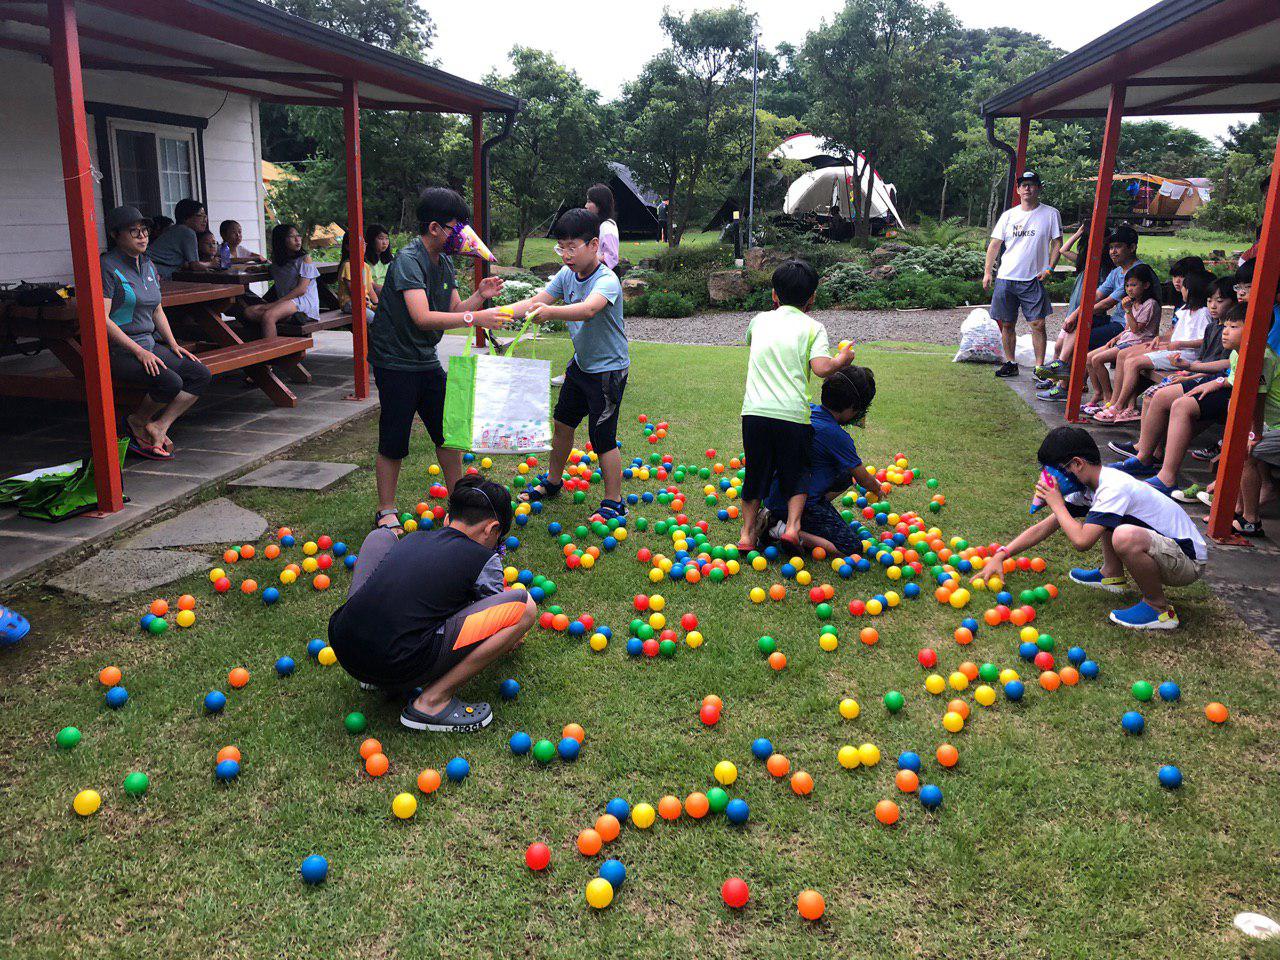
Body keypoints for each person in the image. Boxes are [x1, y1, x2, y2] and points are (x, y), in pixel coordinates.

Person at [328, 476, 537, 733]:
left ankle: (376, 677)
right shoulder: (483, 557)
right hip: (397, 662)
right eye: (499, 539)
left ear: (448, 519)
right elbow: (497, 617)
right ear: (491, 529)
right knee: (524, 607)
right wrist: (514, 638)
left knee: (379, 538)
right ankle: (432, 702)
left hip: (346, 649)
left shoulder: (413, 539)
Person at [368, 187, 507, 531]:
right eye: (456, 227)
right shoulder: (408, 261)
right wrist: (477, 319)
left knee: (448, 431)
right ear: (434, 228)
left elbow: (455, 311)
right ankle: (386, 510)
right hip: (395, 360)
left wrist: (480, 295)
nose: (462, 235)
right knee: (394, 436)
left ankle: (459, 503)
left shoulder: (444, 262)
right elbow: (422, 317)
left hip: (425, 358)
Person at [978, 426, 1206, 629]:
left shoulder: (1112, 488)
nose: (1051, 478)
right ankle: (1111, 575)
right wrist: (1003, 554)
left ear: (1077, 464)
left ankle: (1158, 608)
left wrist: (1057, 504)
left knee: (1124, 535)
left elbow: (1082, 541)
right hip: (1167, 552)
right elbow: (1044, 527)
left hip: (1186, 561)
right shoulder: (1090, 488)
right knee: (1107, 521)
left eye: (1055, 471)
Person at [503, 208, 630, 520]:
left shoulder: (607, 280)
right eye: (562, 247)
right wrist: (498, 313)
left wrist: (551, 312)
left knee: (602, 439)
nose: (566, 255)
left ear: (594, 245)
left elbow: (588, 310)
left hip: (608, 371)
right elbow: (535, 301)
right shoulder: (566, 275)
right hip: (581, 366)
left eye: (573, 247)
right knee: (562, 424)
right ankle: (554, 481)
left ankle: (614, 503)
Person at [735, 259, 855, 552]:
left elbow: (752, 342)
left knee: (756, 472)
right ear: (812, 297)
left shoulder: (759, 321)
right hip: (792, 416)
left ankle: (747, 534)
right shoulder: (814, 327)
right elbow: (821, 368)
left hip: (755, 413)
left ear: (774, 295)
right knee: (797, 471)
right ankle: (791, 527)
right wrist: (842, 360)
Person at [99, 205, 212, 460]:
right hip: (120, 351)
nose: (142, 236)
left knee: (200, 374)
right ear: (116, 235)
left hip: (149, 345)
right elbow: (102, 319)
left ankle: (159, 425)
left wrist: (173, 344)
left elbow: (157, 309)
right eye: (133, 231)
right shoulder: (107, 266)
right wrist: (139, 352)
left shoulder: (148, 264)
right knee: (170, 381)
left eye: (144, 231)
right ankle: (138, 420)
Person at [1119, 306, 1254, 496]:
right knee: (1160, 395)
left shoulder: (1260, 354)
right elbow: (1231, 372)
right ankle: (1144, 457)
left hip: (1236, 395)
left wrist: (1215, 381)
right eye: (1226, 326)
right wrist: (1194, 369)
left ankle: (1166, 477)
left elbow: (1247, 388)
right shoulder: (1235, 352)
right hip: (1221, 382)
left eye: (1233, 327)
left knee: (1181, 405)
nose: (1225, 331)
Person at [1106, 277, 1235, 468]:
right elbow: (1205, 358)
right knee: (1152, 393)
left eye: (1219, 301)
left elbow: (1222, 366)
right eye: (1210, 301)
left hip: (1211, 378)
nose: (1213, 306)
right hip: (1199, 372)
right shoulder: (1212, 327)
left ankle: (1147, 454)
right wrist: (1187, 372)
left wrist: (1190, 370)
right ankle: (1147, 450)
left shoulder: (1227, 330)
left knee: (1162, 396)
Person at [759, 366, 878, 556]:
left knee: (845, 474)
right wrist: (878, 489)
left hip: (775, 494)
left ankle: (788, 515)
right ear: (852, 409)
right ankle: (777, 527)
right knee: (850, 548)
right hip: (795, 504)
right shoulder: (837, 436)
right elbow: (863, 478)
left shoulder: (808, 411)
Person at [1037, 224, 1144, 381]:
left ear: (1132, 247)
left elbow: (1107, 303)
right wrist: (1075, 314)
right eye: (1111, 247)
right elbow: (1096, 295)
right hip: (1117, 321)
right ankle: (1062, 368)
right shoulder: (1117, 271)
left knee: (1082, 337)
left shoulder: (1137, 272)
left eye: (1118, 247)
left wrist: (1075, 314)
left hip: (1129, 327)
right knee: (1079, 324)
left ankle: (1069, 382)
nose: (1113, 251)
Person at [1103, 268, 1212, 421]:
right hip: (1174, 351)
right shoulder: (1185, 311)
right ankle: (1124, 405)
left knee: (1134, 363)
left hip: (1184, 356)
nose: (1181, 291)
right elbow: (1174, 333)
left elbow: (1203, 341)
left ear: (1191, 291)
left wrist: (1179, 343)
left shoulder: (1203, 313)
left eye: (1184, 288)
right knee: (1129, 360)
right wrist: (1161, 339)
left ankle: (1119, 406)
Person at [983, 171, 1063, 377]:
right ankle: (1010, 363)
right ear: (1018, 190)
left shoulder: (1050, 214)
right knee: (1007, 323)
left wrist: (1050, 267)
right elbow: (994, 244)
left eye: (1032, 184)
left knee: (1038, 323)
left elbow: (1057, 243)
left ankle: (1039, 368)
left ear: (1039, 188)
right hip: (1006, 277)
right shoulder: (1009, 215)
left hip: (1033, 278)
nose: (1027, 188)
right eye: (1024, 185)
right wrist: (987, 273)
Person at [1035, 221, 1114, 401]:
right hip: (1074, 310)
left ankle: (1068, 384)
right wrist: (1079, 232)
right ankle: (1054, 378)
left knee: (1073, 350)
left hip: (1086, 312)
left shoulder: (1104, 269)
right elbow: (1063, 250)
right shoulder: (1085, 262)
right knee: (1058, 347)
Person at [1085, 263, 1162, 420]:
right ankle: (1101, 394)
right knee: (1088, 358)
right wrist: (1115, 338)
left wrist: (1127, 310)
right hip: (1126, 340)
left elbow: (1136, 330)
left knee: (1098, 359)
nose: (1129, 289)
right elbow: (1127, 329)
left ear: (1146, 285)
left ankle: (1111, 399)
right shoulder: (1135, 302)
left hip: (1138, 343)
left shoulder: (1150, 304)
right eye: (1127, 285)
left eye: (1133, 285)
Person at [243, 223, 318, 338]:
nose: (298, 239)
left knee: (268, 316)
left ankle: (272, 353)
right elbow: (275, 269)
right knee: (249, 312)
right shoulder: (278, 263)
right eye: (292, 237)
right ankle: (290, 318)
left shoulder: (305, 259)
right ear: (281, 240)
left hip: (303, 301)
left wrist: (276, 303)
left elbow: (301, 290)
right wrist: (259, 268)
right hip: (286, 303)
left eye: (298, 236)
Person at [147, 198, 210, 279]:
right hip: (153, 270)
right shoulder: (187, 232)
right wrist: (212, 264)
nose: (205, 220)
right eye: (200, 215)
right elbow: (195, 266)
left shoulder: (176, 229)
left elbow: (185, 263)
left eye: (205, 215)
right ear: (186, 218)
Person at [337, 231, 376, 322]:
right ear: (347, 247)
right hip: (351, 303)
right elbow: (354, 292)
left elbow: (370, 289)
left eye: (363, 243)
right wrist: (369, 305)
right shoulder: (348, 265)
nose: (362, 246)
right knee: (375, 320)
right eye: (357, 243)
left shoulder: (365, 266)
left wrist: (377, 303)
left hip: (364, 302)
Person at [586, 183, 620, 270]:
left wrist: (585, 259)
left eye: (589, 202)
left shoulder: (607, 227)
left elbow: (612, 258)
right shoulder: (599, 225)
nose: (586, 206)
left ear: (600, 204)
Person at [365, 222, 393, 294]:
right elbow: (369, 285)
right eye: (381, 238)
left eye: (387, 239)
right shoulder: (364, 259)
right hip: (372, 294)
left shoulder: (391, 258)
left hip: (388, 292)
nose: (385, 242)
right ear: (371, 240)